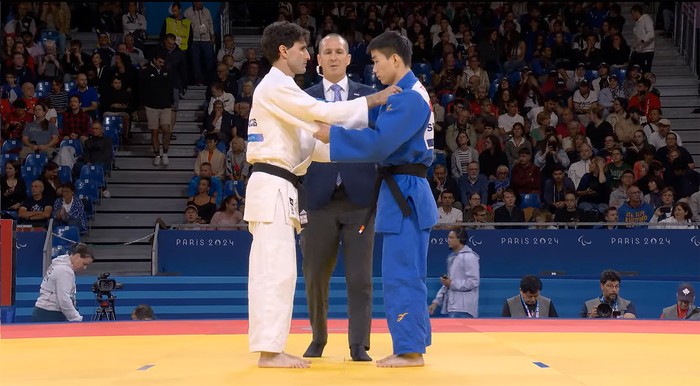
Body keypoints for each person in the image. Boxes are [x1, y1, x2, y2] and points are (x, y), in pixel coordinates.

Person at [244, 21, 397, 369]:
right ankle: (269, 351)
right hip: (273, 184)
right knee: (273, 271)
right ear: (284, 51)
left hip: (282, 185)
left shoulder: (283, 88)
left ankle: (272, 348)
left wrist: (360, 148)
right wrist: (375, 98)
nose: (308, 55)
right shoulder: (276, 86)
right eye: (302, 49)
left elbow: (313, 144)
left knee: (280, 272)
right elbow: (324, 113)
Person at [315, 31, 439, 368]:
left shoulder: (409, 99)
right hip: (404, 189)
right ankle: (414, 343)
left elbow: (379, 145)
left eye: (376, 61)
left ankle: (410, 351)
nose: (374, 70)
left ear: (395, 60)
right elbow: (372, 124)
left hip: (405, 193)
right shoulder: (404, 95)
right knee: (408, 271)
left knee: (401, 273)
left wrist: (332, 135)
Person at [300, 33, 376, 362]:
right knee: (316, 275)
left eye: (338, 52)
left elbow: (379, 140)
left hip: (360, 198)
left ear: (348, 59)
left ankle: (359, 344)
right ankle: (318, 338)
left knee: (360, 277)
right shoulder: (302, 98)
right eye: (326, 52)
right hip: (318, 198)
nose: (332, 57)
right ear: (317, 59)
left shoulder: (370, 97)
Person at [31, 244, 94, 322]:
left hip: (44, 311)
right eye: (84, 264)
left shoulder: (58, 265)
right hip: (50, 314)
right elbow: (64, 299)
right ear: (77, 256)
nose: (84, 268)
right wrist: (76, 318)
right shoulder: (65, 271)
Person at [428, 229, 480, 318]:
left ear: (460, 239)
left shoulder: (470, 257)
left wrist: (451, 283)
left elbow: (474, 282)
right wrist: (436, 302)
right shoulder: (451, 258)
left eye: (451, 237)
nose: (448, 240)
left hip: (465, 309)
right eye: (448, 237)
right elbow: (448, 284)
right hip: (452, 308)